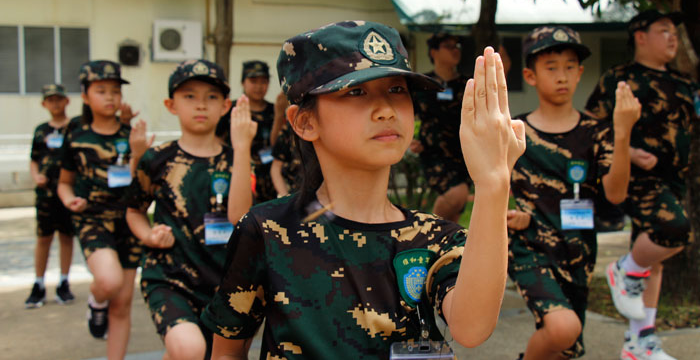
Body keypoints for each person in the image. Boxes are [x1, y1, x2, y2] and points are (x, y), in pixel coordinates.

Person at [200, 20, 526, 359]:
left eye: (397, 90)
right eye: (356, 91)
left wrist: (493, 184)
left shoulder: (433, 239)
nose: (386, 110)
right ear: (305, 122)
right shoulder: (268, 232)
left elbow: (472, 328)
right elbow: (226, 352)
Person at [506, 26, 641, 360]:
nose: (562, 76)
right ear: (530, 75)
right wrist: (505, 212)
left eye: (570, 66)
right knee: (562, 328)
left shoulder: (597, 132)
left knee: (566, 347)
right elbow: (490, 183)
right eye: (551, 67)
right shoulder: (514, 131)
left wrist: (622, 133)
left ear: (580, 73)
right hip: (529, 246)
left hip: (578, 248)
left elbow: (616, 193)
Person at [125, 59, 256, 360]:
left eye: (211, 97)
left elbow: (239, 217)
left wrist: (242, 147)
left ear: (226, 106)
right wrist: (148, 235)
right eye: (189, 96)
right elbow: (133, 210)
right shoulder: (157, 159)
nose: (201, 105)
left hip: (223, 283)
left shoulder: (239, 159)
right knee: (190, 349)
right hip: (169, 278)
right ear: (171, 105)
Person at [585, 10, 697, 360]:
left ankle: (639, 342)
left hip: (675, 180)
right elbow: (592, 125)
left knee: (655, 262)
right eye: (663, 30)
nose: (672, 37)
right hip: (640, 180)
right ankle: (623, 269)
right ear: (640, 36)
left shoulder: (684, 82)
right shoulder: (620, 79)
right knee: (675, 229)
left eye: (674, 31)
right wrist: (629, 151)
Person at [57, 60, 148, 359]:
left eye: (114, 91)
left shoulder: (129, 134)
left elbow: (141, 183)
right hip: (93, 220)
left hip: (129, 221)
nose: (110, 97)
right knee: (108, 281)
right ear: (85, 97)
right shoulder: (77, 136)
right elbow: (64, 182)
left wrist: (138, 154)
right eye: (101, 91)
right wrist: (70, 199)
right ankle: (96, 302)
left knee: (122, 305)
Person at [411, 32, 472, 222]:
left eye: (457, 46)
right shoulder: (423, 84)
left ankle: (445, 247)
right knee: (457, 193)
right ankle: (429, 235)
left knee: (456, 210)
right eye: (449, 46)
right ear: (434, 52)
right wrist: (411, 140)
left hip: (464, 152)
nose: (455, 50)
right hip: (433, 153)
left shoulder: (468, 84)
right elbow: (410, 115)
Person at [25, 84, 76, 308]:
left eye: (59, 99)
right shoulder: (41, 130)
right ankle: (38, 283)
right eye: (50, 100)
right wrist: (36, 176)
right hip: (46, 194)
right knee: (43, 238)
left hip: (68, 193)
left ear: (67, 101)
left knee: (66, 237)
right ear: (44, 104)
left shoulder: (74, 128)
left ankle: (64, 283)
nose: (55, 104)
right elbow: (34, 158)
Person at [217, 60, 283, 203]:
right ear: (243, 82)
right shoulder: (232, 109)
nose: (259, 87)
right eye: (253, 81)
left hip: (267, 178)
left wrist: (279, 116)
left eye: (264, 82)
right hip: (235, 174)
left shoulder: (274, 110)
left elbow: (279, 144)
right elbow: (217, 139)